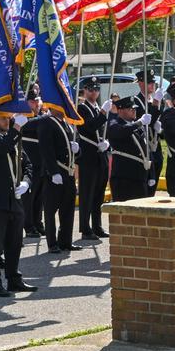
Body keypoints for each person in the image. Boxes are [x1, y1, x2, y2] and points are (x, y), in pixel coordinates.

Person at [0, 110, 37, 298]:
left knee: (15, 243)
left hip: (15, 200)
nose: (7, 121)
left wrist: (26, 182)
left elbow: (27, 165)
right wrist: (17, 128)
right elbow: (1, 148)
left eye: (8, 118)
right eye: (3, 118)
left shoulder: (12, 138)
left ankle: (14, 279)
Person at [39, 108, 80, 253]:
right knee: (50, 211)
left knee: (68, 209)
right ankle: (52, 243)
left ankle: (66, 241)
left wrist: (77, 149)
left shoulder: (68, 123)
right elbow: (46, 149)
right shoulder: (46, 122)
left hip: (68, 172)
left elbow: (74, 146)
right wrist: (53, 172)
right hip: (55, 173)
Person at [76, 77, 110, 240]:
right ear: (84, 90)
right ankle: (85, 228)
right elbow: (90, 126)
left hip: (100, 155)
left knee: (99, 194)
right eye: (90, 89)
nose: (94, 92)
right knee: (87, 193)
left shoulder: (97, 108)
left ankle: (97, 226)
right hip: (88, 155)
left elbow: (104, 130)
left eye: (96, 89)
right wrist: (103, 113)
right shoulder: (81, 108)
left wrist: (107, 142)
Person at [107, 97, 150, 202]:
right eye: (131, 109)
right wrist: (139, 123)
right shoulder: (114, 123)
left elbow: (145, 150)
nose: (134, 111)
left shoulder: (136, 126)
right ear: (120, 110)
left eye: (134, 109)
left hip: (139, 176)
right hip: (124, 178)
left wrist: (151, 174)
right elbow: (122, 131)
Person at [18, 89, 47, 237]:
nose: (36, 104)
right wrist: (45, 118)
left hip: (42, 162)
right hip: (30, 162)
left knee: (39, 196)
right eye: (32, 101)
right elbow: (30, 126)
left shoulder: (40, 116)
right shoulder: (22, 117)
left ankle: (38, 222)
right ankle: (28, 226)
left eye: (37, 100)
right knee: (29, 196)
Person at [132, 70, 163, 196]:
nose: (152, 85)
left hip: (156, 147)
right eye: (149, 82)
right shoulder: (136, 101)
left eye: (153, 82)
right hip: (144, 149)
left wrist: (162, 130)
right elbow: (148, 121)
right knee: (146, 188)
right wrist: (156, 103)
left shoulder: (155, 100)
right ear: (140, 83)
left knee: (154, 186)